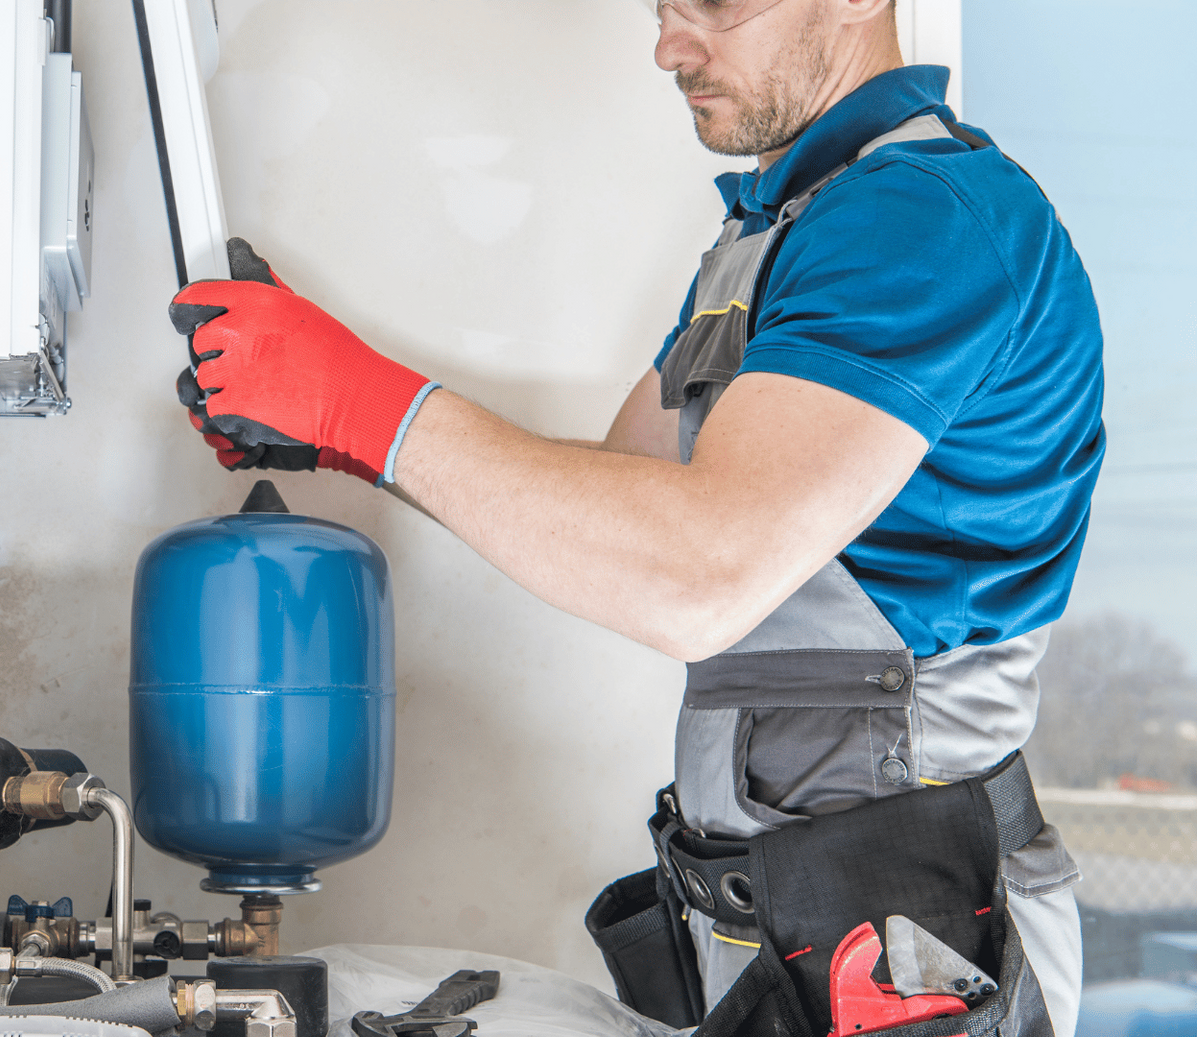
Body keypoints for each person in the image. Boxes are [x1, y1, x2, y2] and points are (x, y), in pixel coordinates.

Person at [166, 1, 1104, 1035]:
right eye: (664, 7)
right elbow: (619, 499)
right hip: (805, 932)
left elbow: (696, 569)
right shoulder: (779, 230)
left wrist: (369, 404)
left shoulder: (924, 216)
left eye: (715, 4)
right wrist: (339, 434)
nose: (669, 45)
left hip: (915, 951)